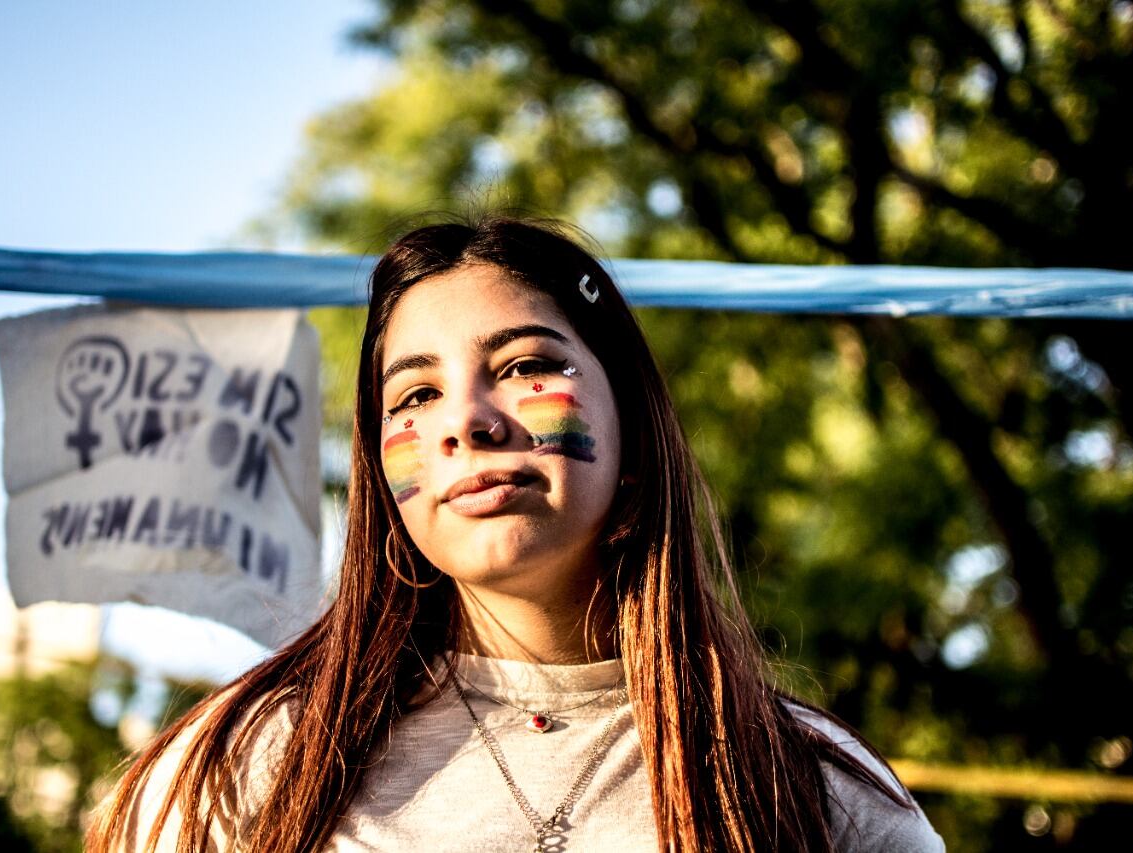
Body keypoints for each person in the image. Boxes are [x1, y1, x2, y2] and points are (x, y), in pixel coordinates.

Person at [88, 216, 945, 852]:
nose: (465, 419)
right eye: (414, 395)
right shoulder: (246, 765)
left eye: (527, 365)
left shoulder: (813, 790)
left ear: (634, 433)